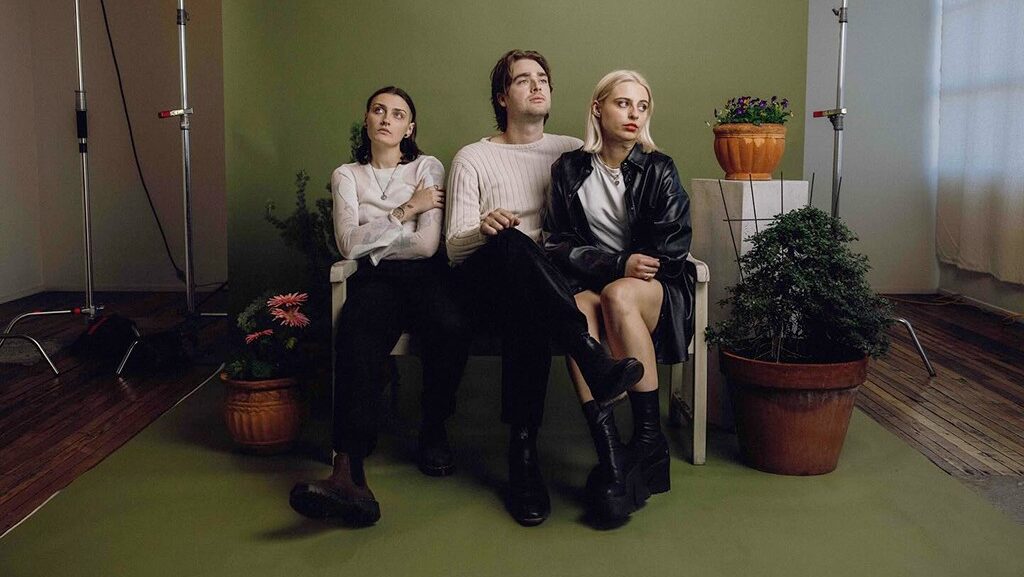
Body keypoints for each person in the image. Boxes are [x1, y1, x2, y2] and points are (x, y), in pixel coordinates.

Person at [445, 51, 644, 527]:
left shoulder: (572, 151)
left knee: (529, 305)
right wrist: (487, 230)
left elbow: (607, 213)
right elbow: (453, 248)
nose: (537, 86)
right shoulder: (473, 157)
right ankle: (588, 353)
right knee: (512, 245)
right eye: (523, 80)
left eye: (543, 79)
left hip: (543, 290)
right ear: (502, 97)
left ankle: (524, 452)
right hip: (484, 280)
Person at [289, 86, 470, 526]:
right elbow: (347, 244)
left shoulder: (427, 166)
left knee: (450, 326)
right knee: (356, 334)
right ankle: (348, 472)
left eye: (398, 114)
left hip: (426, 276)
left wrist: (374, 236)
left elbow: (426, 245)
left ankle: (433, 427)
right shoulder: (347, 175)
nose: (387, 118)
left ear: (410, 128)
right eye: (378, 110)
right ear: (367, 121)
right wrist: (407, 209)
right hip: (377, 281)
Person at [544, 70, 694, 521]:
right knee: (576, 312)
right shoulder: (569, 169)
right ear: (598, 108)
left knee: (619, 296)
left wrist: (624, 271)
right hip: (597, 283)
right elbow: (557, 243)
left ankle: (648, 440)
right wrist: (614, 265)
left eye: (642, 106)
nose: (634, 114)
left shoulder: (659, 168)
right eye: (623, 103)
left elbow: (672, 248)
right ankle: (610, 452)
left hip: (654, 290)